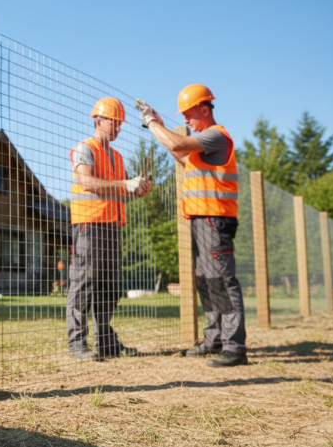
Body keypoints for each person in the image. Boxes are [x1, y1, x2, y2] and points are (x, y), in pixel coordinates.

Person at [136, 84, 247, 367]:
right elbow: (182, 156)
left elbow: (175, 144)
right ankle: (215, 340)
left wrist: (150, 122)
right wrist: (160, 125)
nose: (185, 120)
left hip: (214, 219)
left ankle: (234, 348)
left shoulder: (216, 135)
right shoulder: (203, 145)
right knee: (207, 282)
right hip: (202, 219)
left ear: (204, 108)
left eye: (188, 114)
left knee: (222, 280)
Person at [67, 97, 152, 361]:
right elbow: (88, 182)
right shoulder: (85, 148)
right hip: (88, 225)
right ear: (98, 120)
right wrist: (125, 184)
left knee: (109, 286)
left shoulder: (116, 156)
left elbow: (120, 190)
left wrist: (137, 190)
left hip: (111, 226)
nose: (118, 129)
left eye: (120, 124)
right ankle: (77, 344)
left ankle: (106, 344)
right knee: (83, 284)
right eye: (114, 123)